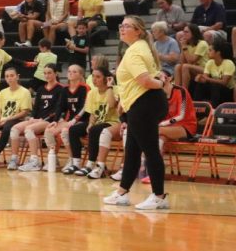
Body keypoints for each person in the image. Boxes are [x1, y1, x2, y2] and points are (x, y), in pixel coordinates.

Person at [102, 17, 171, 210]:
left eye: (127, 26)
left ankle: (159, 196)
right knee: (132, 151)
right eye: (121, 25)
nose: (122, 29)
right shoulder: (139, 48)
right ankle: (123, 192)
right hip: (139, 104)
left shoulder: (134, 52)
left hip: (145, 105)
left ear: (138, 31)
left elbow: (146, 81)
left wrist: (161, 85)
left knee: (150, 151)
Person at [10, 65, 64, 172]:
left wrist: (42, 119)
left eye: (49, 73)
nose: (47, 75)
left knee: (29, 130)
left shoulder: (61, 89)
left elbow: (59, 109)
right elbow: (36, 107)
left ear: (55, 73)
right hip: (37, 119)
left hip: (50, 120)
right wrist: (32, 118)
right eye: (45, 73)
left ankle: (34, 161)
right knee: (14, 129)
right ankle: (14, 159)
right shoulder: (41, 89)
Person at [69, 67, 116, 178]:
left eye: (98, 77)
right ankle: (76, 163)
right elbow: (92, 113)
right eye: (93, 76)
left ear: (106, 79)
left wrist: (109, 87)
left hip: (112, 122)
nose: (94, 79)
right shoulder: (92, 93)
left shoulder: (114, 89)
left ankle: (90, 165)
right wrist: (90, 124)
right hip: (98, 122)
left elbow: (112, 104)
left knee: (95, 130)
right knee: (73, 130)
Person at [44, 65, 89, 174]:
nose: (70, 73)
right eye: (69, 71)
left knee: (65, 131)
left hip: (83, 120)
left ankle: (72, 159)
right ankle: (54, 158)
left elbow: (85, 107)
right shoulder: (65, 89)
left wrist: (74, 121)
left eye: (74, 71)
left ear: (80, 74)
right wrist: (55, 120)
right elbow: (60, 106)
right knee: (49, 130)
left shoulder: (85, 88)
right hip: (68, 120)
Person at [189, 40, 235, 107]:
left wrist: (207, 79)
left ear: (218, 53)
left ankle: (213, 111)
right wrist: (199, 78)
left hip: (227, 91)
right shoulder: (210, 62)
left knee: (215, 86)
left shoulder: (228, 63)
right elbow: (205, 79)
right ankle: (196, 108)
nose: (208, 52)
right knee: (198, 84)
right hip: (214, 89)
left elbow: (224, 82)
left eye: (210, 50)